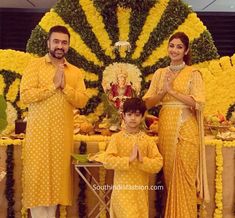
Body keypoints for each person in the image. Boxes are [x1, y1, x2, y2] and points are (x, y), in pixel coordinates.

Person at [20, 25, 88, 218]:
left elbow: (82, 100)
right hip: (38, 139)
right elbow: (25, 96)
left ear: (68, 46)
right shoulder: (34, 66)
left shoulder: (75, 72)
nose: (60, 46)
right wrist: (53, 86)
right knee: (38, 184)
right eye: (56, 41)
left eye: (64, 42)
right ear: (48, 43)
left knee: (56, 188)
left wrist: (65, 87)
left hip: (61, 139)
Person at [143, 32, 210, 217]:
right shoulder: (160, 73)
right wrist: (162, 92)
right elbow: (148, 103)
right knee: (170, 178)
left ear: (186, 50)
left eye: (179, 46)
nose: (174, 50)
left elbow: (199, 103)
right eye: (171, 45)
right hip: (166, 126)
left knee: (185, 177)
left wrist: (171, 91)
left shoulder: (193, 73)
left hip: (186, 127)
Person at [103, 97, 163, 218]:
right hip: (122, 192)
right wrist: (128, 160)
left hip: (140, 193)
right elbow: (107, 161)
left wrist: (142, 160)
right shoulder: (117, 138)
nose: (133, 118)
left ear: (142, 117)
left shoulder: (147, 140)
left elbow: (158, 163)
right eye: (129, 114)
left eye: (137, 115)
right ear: (123, 116)